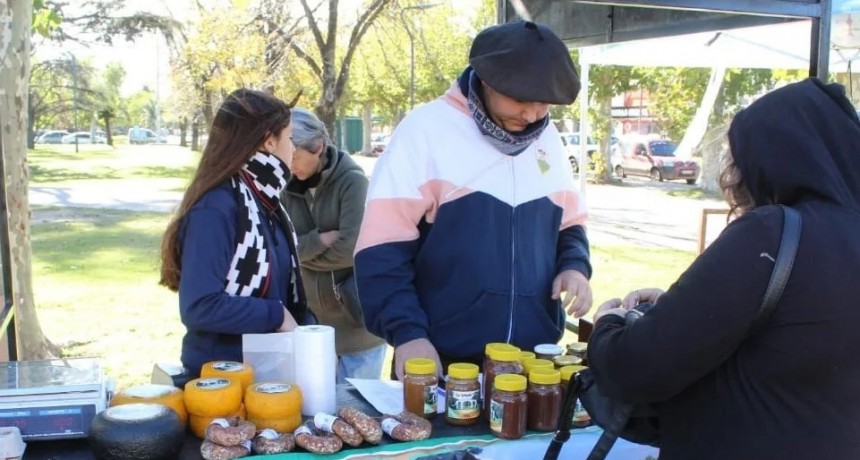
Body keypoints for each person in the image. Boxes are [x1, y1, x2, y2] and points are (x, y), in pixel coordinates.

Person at [588, 79, 860, 459]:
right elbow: (795, 338)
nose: (733, 176)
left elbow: (639, 366)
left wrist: (608, 324)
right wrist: (678, 308)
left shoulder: (772, 232)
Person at [354, 20, 593, 379]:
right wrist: (407, 334)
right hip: (440, 362)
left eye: (543, 103)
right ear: (486, 79)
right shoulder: (424, 132)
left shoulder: (549, 141)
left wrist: (575, 266)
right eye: (521, 99)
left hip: (534, 364)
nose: (531, 114)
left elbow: (569, 225)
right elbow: (381, 250)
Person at [160, 89, 312, 378]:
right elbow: (199, 306)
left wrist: (309, 333)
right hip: (222, 384)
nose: (293, 149)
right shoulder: (217, 206)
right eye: (290, 138)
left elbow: (284, 290)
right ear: (269, 140)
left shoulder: (266, 203)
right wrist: (275, 314)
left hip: (267, 375)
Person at [281, 108, 386, 383]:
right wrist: (320, 240)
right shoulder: (285, 185)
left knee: (360, 415)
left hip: (357, 329)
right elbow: (281, 247)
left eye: (295, 156)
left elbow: (352, 250)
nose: (288, 164)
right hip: (310, 329)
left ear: (317, 147)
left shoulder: (353, 181)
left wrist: (299, 252)